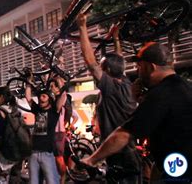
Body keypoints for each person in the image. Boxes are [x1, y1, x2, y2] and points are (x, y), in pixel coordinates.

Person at [82, 42, 192, 182]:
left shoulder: (160, 94)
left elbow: (125, 134)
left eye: (140, 66)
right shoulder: (185, 87)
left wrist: (92, 159)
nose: (138, 72)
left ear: (151, 67)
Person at [77, 13, 141, 182]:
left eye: (102, 67)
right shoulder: (126, 82)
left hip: (118, 152)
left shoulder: (110, 87)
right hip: (129, 150)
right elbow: (119, 61)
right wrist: (116, 39)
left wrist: (82, 27)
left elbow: (90, 61)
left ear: (108, 72)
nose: (99, 69)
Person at [24, 77, 67, 184]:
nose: (40, 99)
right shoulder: (37, 109)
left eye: (43, 96)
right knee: (33, 181)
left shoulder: (54, 111)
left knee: (52, 181)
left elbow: (63, 96)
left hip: (47, 153)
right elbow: (28, 97)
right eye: (39, 97)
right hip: (33, 153)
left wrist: (60, 84)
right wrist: (28, 82)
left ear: (50, 99)